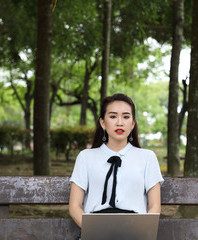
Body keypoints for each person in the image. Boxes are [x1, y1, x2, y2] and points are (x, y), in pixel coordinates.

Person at [69, 93, 164, 231]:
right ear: (102, 122)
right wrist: (95, 233)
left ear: (132, 124)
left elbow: (155, 206)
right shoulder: (85, 157)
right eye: (113, 116)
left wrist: (140, 232)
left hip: (135, 231)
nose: (120, 122)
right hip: (95, 230)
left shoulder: (147, 157)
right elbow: (74, 206)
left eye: (126, 117)